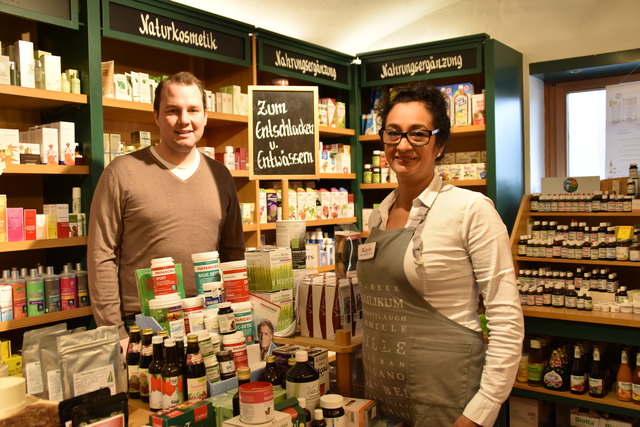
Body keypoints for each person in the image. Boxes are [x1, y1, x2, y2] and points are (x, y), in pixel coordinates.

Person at [356, 86, 524, 426]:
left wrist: (481, 412)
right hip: (384, 392)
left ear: (440, 144)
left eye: (418, 134)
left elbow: (506, 320)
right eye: (393, 133)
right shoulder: (379, 214)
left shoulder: (470, 210)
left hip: (449, 398)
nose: (403, 146)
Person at [88, 71, 245, 340]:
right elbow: (101, 255)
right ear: (156, 116)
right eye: (173, 110)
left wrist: (239, 316)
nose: (184, 120)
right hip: (143, 325)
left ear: (205, 116)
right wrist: (115, 333)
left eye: (193, 110)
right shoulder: (121, 172)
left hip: (209, 318)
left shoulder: (221, 176)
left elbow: (233, 252)